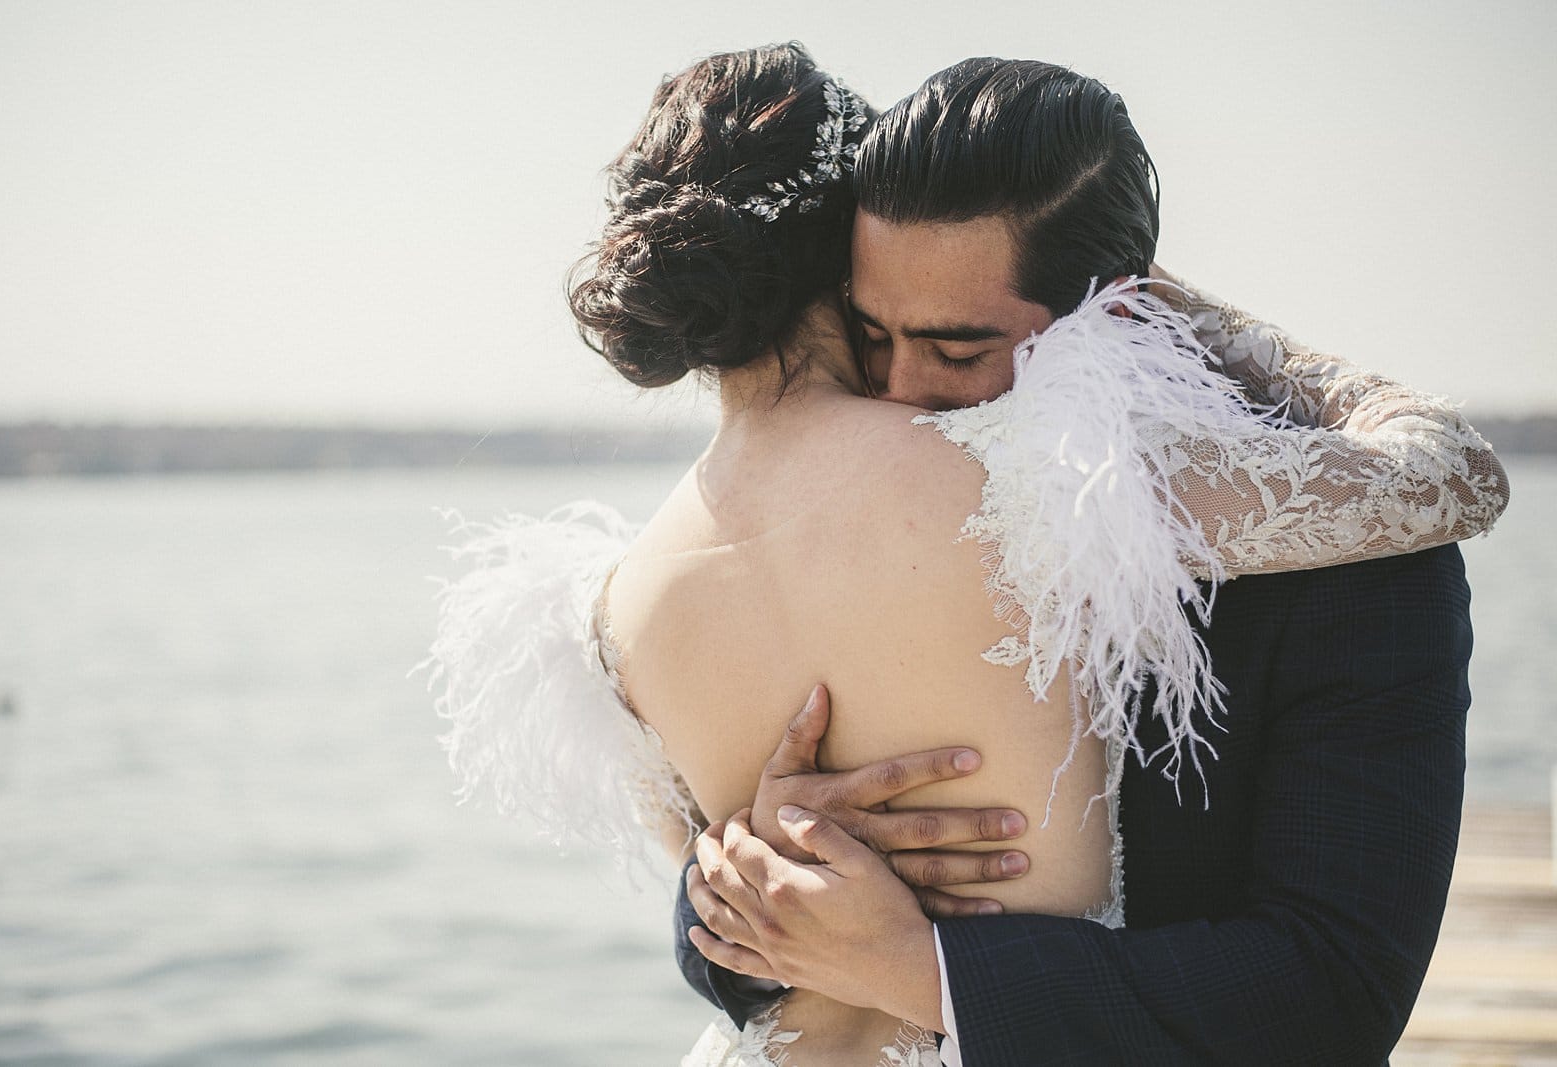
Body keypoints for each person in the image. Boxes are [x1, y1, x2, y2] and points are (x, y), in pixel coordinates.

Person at [420, 47, 1509, 1066]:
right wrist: (757, 865)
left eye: (955, 348)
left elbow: (1331, 993)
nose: (900, 394)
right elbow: (737, 958)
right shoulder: (950, 490)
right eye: (871, 333)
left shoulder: (1339, 554)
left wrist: (922, 965)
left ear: (1112, 309)